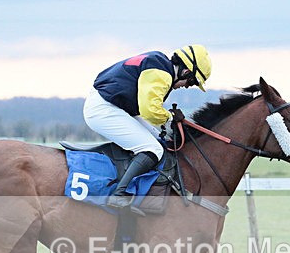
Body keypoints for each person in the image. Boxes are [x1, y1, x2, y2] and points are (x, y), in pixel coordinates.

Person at [83, 44, 212, 208]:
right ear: (186, 72)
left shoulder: (160, 64)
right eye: (191, 82)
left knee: (159, 140)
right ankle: (119, 194)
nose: (186, 86)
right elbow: (149, 110)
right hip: (104, 108)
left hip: (115, 106)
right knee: (153, 149)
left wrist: (169, 122)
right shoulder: (162, 74)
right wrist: (170, 117)